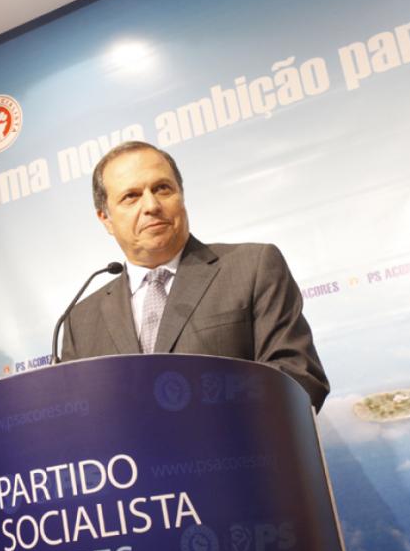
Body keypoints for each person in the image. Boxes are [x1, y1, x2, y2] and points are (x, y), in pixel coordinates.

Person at [61, 140, 330, 411]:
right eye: (131, 196)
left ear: (181, 196)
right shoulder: (80, 320)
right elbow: (72, 414)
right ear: (105, 218)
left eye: (162, 188)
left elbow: (298, 376)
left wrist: (197, 409)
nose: (151, 205)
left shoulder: (253, 267)